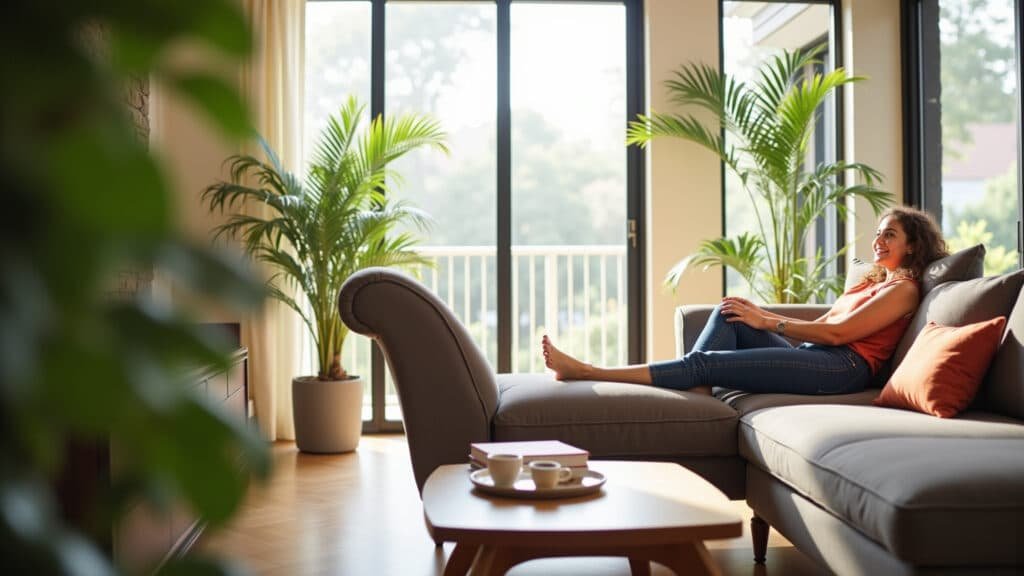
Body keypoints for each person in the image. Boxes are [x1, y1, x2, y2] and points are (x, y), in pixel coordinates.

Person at [542, 206, 948, 396]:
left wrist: (768, 321)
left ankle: (588, 371)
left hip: (842, 369)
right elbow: (825, 321)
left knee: (707, 361)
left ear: (913, 244)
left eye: (889, 235)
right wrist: (756, 315)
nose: (878, 241)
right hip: (818, 355)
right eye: (877, 233)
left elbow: (839, 332)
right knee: (732, 311)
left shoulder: (904, 291)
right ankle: (697, 388)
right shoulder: (871, 282)